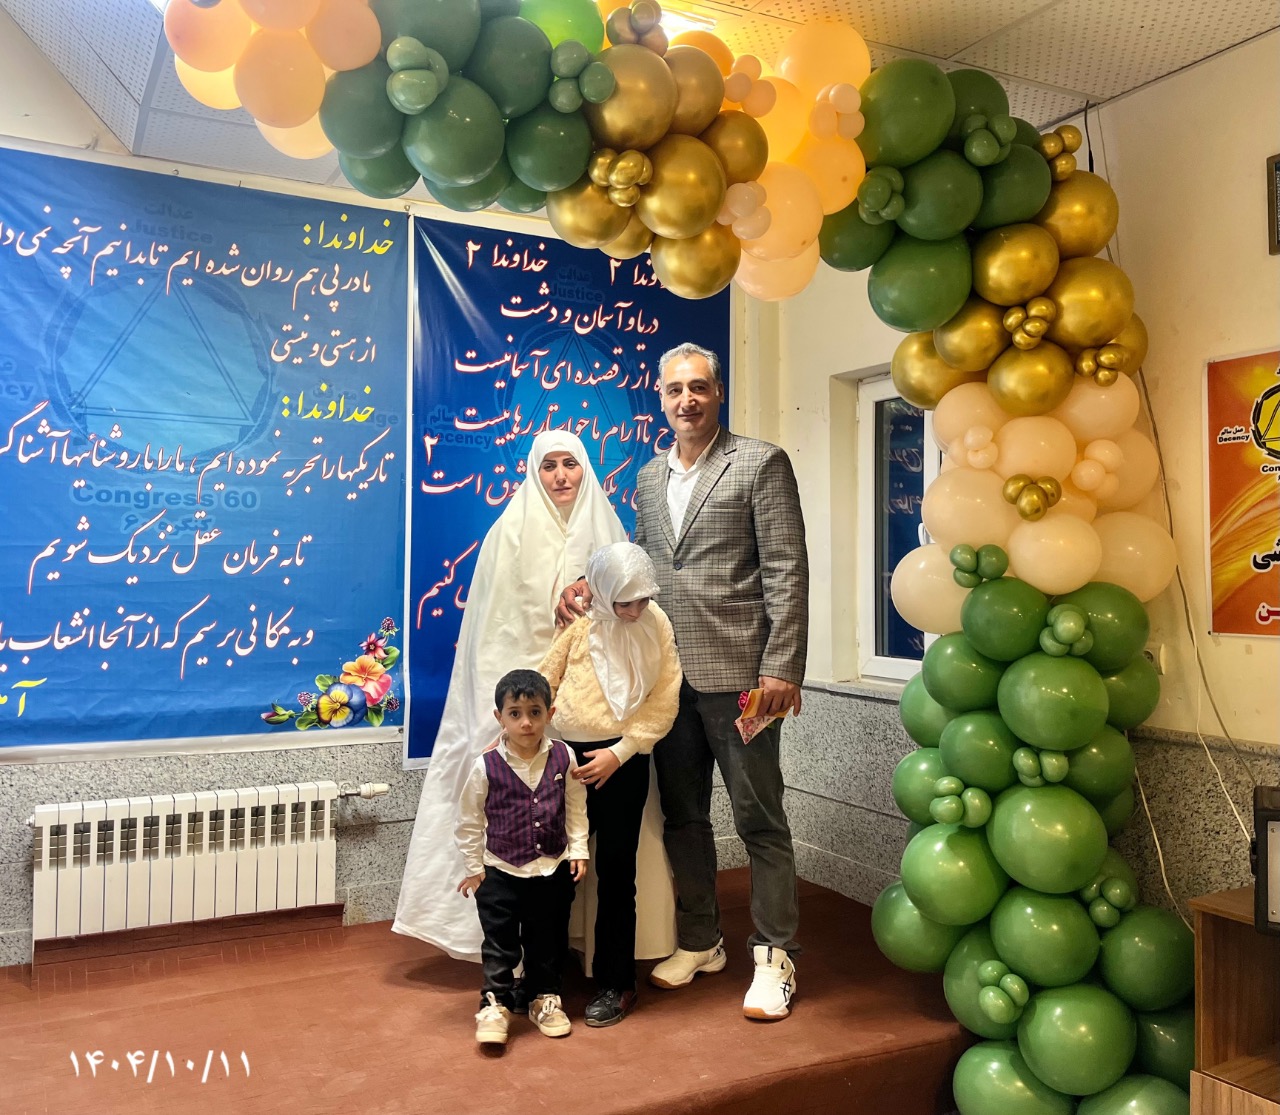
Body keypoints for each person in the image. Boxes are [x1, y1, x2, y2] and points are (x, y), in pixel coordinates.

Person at [557, 342, 809, 1021]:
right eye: (675, 389)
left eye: (698, 387)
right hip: (665, 682)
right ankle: (702, 940)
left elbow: (787, 567)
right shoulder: (648, 475)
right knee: (684, 817)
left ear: (717, 392)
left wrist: (782, 665)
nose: (687, 399)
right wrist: (590, 582)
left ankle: (775, 956)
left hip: (744, 679)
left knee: (759, 818)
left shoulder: (759, 462)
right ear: (662, 398)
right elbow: (643, 563)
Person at [394, 430, 625, 962]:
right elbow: (491, 630)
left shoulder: (609, 532)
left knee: (578, 822)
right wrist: (508, 709)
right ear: (534, 473)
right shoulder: (509, 533)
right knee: (511, 818)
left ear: (586, 469)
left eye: (571, 464)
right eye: (549, 466)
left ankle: (576, 944)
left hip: (590, 708)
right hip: (524, 707)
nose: (561, 476)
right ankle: (506, 952)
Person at [538, 541, 681, 1027]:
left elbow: (665, 695)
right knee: (556, 868)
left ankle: (617, 982)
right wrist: (530, 741)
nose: (634, 611)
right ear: (600, 592)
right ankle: (545, 979)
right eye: (624, 603)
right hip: (567, 762)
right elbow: (547, 678)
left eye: (642, 599)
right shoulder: (580, 625)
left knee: (618, 873)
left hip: (623, 760)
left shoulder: (656, 622)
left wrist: (620, 753)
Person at [456, 669, 589, 1046]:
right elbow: (469, 819)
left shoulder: (564, 755)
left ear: (550, 713)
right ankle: (494, 1004)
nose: (526, 722)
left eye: (535, 712)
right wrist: (474, 868)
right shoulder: (485, 765)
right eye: (515, 713)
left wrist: (578, 849)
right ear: (499, 717)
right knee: (500, 944)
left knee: (548, 939)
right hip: (500, 871)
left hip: (552, 869)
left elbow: (575, 805)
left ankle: (544, 998)